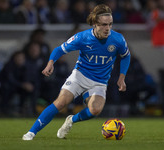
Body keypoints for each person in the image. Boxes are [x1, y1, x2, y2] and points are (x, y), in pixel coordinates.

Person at [22, 4, 130, 140]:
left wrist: (122, 77)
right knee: (60, 103)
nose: (107, 28)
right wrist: (50, 63)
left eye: (110, 24)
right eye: (103, 25)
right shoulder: (82, 38)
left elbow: (126, 56)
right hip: (80, 76)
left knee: (95, 110)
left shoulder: (117, 39)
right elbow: (59, 50)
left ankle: (71, 120)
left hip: (100, 81)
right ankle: (31, 133)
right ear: (95, 24)